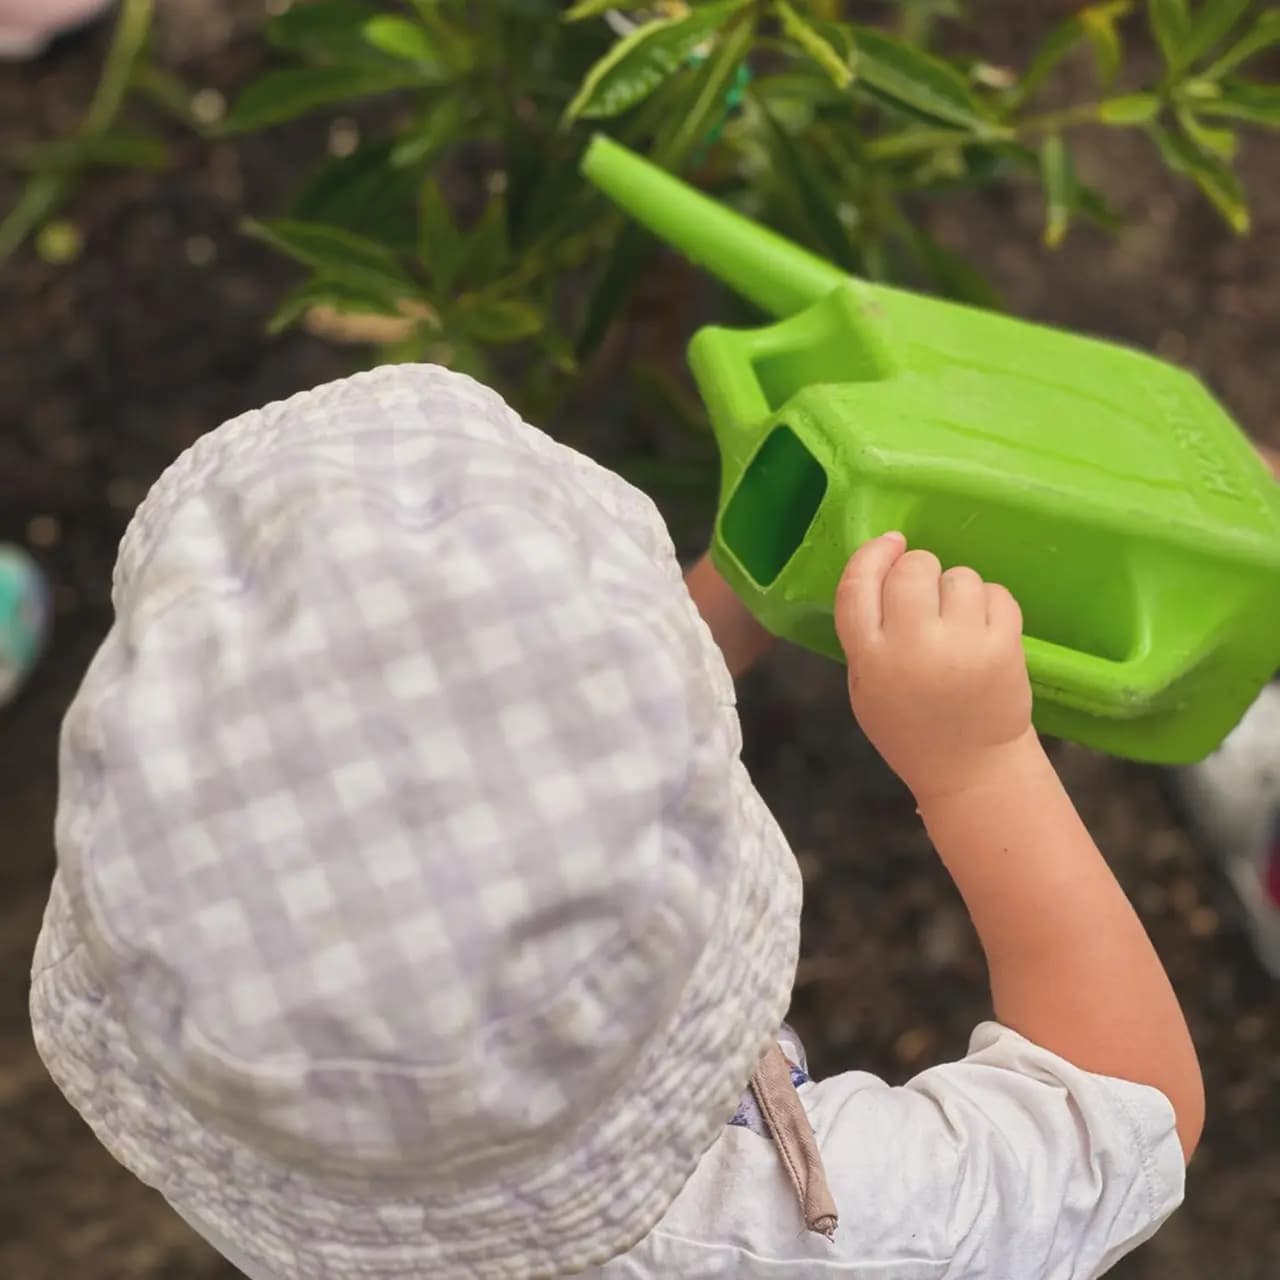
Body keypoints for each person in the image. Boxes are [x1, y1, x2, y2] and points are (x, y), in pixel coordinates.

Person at [31, 364, 1201, 1280]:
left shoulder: (207, 993)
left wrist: (706, 620)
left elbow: (444, 747)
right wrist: (976, 761)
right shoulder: (768, 1237)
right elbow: (1120, 1108)